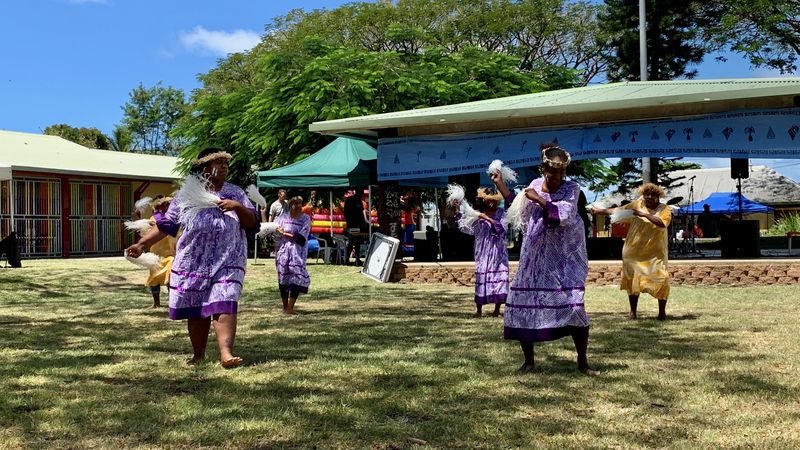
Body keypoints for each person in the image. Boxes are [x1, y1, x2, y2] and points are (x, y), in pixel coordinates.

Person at [126, 147, 259, 367]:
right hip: (194, 260)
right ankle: (198, 355)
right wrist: (142, 244)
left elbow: (252, 223)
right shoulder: (186, 196)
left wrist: (237, 207)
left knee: (224, 300)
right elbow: (167, 225)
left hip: (229, 258)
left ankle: (226, 353)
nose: (224, 167)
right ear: (204, 169)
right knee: (197, 308)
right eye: (218, 163)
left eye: (225, 163)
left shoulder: (235, 193)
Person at [495, 144, 598, 375]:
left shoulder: (572, 188)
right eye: (553, 172)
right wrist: (499, 183)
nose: (558, 177)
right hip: (534, 256)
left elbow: (564, 215)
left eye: (562, 172)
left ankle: (583, 362)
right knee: (526, 306)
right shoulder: (533, 186)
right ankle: (529, 362)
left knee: (574, 305)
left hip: (565, 257)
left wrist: (540, 200)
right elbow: (517, 207)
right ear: (543, 169)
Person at [590, 183, 672, 321]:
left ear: (659, 196)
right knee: (632, 280)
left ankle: (662, 313)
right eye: (647, 194)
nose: (649, 197)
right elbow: (618, 211)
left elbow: (662, 223)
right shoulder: (636, 204)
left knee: (661, 279)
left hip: (655, 252)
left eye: (653, 195)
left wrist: (642, 214)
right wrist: (600, 211)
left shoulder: (664, 209)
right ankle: (633, 312)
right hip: (633, 251)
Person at [456, 186, 509, 318]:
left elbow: (501, 229)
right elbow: (464, 227)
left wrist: (487, 218)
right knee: (482, 276)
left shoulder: (502, 214)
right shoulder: (477, 215)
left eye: (494, 200)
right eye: (489, 200)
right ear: (484, 200)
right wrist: (457, 209)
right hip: (482, 252)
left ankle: (497, 310)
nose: (492, 203)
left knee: (500, 278)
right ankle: (479, 310)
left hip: (498, 252)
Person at [274, 196, 312, 314]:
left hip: (297, 252)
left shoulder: (305, 219)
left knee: (297, 277)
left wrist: (284, 233)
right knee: (283, 278)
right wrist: (277, 232)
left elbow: (301, 237)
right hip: (283, 251)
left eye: (300, 203)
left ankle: (290, 307)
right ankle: (285, 307)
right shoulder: (283, 217)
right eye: (295, 203)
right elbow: (274, 230)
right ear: (290, 205)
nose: (298, 206)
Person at [145, 195, 177, 308]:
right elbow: (146, 235)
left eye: (167, 205)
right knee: (154, 279)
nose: (164, 208)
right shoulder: (153, 219)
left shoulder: (174, 219)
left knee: (171, 279)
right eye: (162, 205)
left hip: (170, 254)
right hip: (156, 255)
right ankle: (156, 303)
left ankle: (172, 302)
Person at [344, 190, 369, 266]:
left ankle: (357, 259)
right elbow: (345, 212)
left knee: (358, 242)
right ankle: (347, 259)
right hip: (351, 225)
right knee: (351, 243)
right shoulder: (349, 200)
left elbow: (361, 213)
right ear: (357, 193)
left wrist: (364, 223)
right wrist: (349, 222)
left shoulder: (359, 201)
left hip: (359, 225)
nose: (361, 196)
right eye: (360, 194)